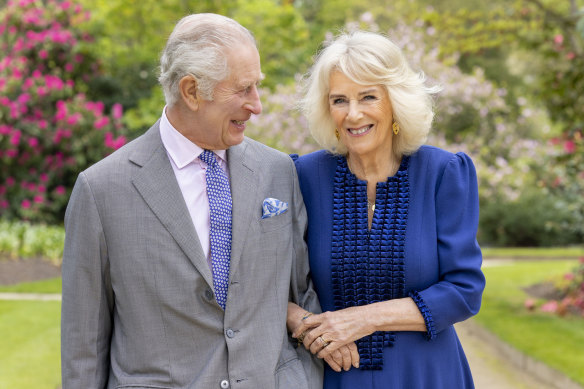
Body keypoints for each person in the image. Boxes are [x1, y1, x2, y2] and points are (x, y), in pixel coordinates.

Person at [61, 13, 323, 389]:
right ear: (191, 91)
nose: (257, 105)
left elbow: (302, 291)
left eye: (257, 86)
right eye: (244, 89)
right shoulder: (101, 190)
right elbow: (82, 347)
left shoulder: (278, 171)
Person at [287, 30, 486, 388]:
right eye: (339, 100)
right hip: (334, 376)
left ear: (395, 101)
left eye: (368, 97)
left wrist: (363, 319)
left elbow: (464, 290)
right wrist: (303, 326)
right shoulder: (301, 177)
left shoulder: (443, 173)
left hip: (427, 375)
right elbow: (263, 284)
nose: (353, 114)